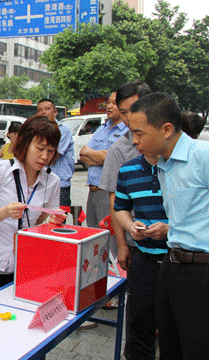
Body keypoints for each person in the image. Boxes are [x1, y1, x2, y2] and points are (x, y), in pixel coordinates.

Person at [129, 92, 209, 360]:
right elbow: (197, 218)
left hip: (208, 273)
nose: (134, 140)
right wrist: (169, 228)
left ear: (166, 129)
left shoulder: (207, 157)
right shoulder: (164, 165)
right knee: (171, 359)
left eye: (139, 133)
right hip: (172, 267)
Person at [0, 115, 66, 303]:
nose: (45, 156)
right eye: (40, 148)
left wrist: (53, 222)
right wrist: (4, 212)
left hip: (22, 268)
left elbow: (42, 222)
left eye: (50, 151)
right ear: (25, 143)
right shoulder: (0, 170)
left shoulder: (52, 182)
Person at [113, 150, 169, 360]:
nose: (135, 141)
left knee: (173, 333)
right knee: (139, 327)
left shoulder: (181, 167)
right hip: (144, 261)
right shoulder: (128, 170)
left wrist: (170, 230)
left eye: (140, 133)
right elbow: (120, 207)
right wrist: (130, 227)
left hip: (179, 262)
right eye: (133, 133)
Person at [98, 81, 151, 262]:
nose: (129, 118)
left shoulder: (165, 145)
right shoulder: (118, 150)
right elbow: (115, 202)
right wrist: (121, 245)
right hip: (137, 242)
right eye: (123, 112)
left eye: (133, 110)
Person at [79, 92, 127, 238]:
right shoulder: (102, 128)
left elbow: (111, 157)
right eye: (108, 102)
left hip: (109, 192)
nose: (109, 106)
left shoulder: (127, 131)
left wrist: (91, 153)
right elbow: (82, 155)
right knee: (93, 236)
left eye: (114, 103)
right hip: (93, 191)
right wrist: (101, 157)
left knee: (109, 237)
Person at [36, 98, 74, 208]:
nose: (43, 112)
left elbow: (51, 157)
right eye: (40, 110)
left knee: (57, 217)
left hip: (60, 186)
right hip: (40, 184)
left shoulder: (63, 131)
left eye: (47, 109)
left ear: (55, 112)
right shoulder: (36, 131)